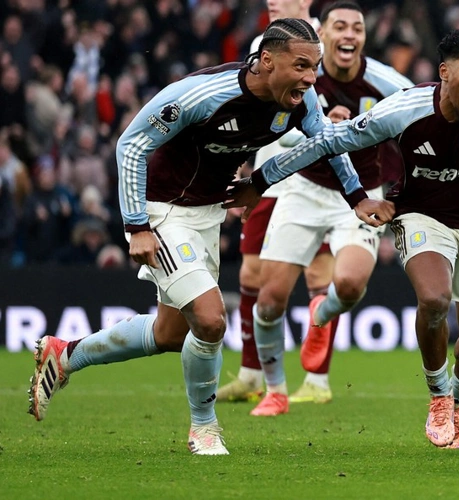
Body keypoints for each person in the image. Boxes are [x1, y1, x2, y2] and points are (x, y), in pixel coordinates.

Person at [26, 18, 392, 456]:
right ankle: (204, 428)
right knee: (212, 319)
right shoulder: (203, 94)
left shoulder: (300, 99)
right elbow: (131, 145)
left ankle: (65, 354)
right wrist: (137, 226)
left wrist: (283, 182)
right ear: (266, 60)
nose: (311, 78)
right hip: (162, 211)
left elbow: (324, 142)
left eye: (314, 67)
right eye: (301, 66)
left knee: (169, 334)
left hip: (208, 214)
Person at [239, 27, 459, 448]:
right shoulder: (405, 108)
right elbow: (331, 141)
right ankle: (439, 397)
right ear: (444, 72)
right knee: (434, 299)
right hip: (418, 215)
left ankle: (457, 401)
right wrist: (261, 178)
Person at [242, 1, 414, 417]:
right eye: (341, 26)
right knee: (270, 300)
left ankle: (324, 311)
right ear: (324, 35)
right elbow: (272, 131)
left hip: (360, 194)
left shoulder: (388, 83)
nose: (349, 34)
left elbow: (424, 123)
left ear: (364, 38)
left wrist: (402, 189)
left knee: (350, 284)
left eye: (357, 28)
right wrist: (317, 129)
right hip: (303, 190)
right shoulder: (302, 75)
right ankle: (275, 391)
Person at [218, 0, 326, 405]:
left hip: (313, 180)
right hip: (266, 176)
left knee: (317, 277)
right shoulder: (263, 45)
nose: (274, 4)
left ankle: (317, 379)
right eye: (270, 1)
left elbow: (323, 116)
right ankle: (250, 374)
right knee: (250, 274)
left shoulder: (328, 41)